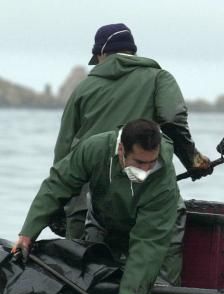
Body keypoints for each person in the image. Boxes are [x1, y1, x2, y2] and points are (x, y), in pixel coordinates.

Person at [12, 119, 180, 294]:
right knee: (92, 273)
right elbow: (57, 185)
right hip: (104, 219)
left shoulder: (163, 179)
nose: (145, 171)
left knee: (149, 285)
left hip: (159, 227)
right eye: (138, 163)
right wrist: (27, 234)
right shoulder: (95, 148)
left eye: (151, 163)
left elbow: (149, 241)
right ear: (120, 149)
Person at [54, 22, 211, 239]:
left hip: (85, 200)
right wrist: (192, 159)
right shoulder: (159, 78)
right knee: (149, 260)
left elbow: (63, 148)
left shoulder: (83, 88)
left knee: (82, 265)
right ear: (133, 53)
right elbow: (172, 120)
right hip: (138, 197)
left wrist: (58, 201)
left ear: (100, 54)